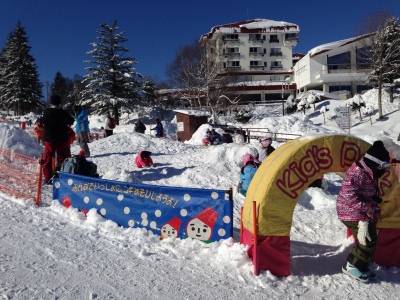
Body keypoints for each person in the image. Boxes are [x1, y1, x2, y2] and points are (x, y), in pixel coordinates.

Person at [337, 140, 390, 282]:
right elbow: (350, 196)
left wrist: (373, 204)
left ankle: (361, 265)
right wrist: (368, 207)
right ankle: (351, 265)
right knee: (368, 239)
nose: (384, 169)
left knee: (370, 238)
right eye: (383, 165)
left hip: (358, 211)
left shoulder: (369, 171)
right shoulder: (358, 173)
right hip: (349, 211)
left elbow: (365, 193)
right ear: (373, 161)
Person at [42, 94, 75, 184]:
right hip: (62, 139)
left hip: (50, 139)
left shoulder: (47, 112)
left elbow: (42, 121)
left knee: (48, 159)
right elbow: (71, 121)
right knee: (63, 158)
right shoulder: (63, 112)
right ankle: (63, 176)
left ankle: (48, 178)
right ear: (60, 102)